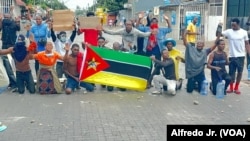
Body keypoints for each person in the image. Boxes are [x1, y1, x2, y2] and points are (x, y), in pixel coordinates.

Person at [182, 29, 219, 93]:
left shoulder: (205, 51)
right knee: (189, 90)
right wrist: (184, 34)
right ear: (196, 44)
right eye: (198, 43)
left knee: (200, 90)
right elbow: (185, 41)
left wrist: (218, 37)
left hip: (200, 73)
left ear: (203, 45)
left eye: (201, 43)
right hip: (191, 73)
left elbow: (214, 46)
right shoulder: (191, 48)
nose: (199, 44)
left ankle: (206, 84)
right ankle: (191, 84)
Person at [221, 18, 250, 94]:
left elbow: (247, 43)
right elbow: (218, 34)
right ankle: (231, 87)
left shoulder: (244, 32)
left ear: (238, 24)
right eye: (232, 25)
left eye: (234, 25)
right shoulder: (229, 32)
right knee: (231, 72)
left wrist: (249, 53)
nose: (233, 27)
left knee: (240, 72)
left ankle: (236, 87)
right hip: (232, 55)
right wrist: (219, 26)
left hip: (241, 56)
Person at [0, 13, 20, 91]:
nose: (6, 19)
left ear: (10, 18)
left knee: (12, 65)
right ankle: (11, 82)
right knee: (6, 65)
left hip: (11, 46)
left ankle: (16, 83)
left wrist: (17, 21)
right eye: (5, 18)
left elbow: (18, 28)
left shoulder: (14, 23)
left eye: (7, 18)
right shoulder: (3, 24)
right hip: (5, 46)